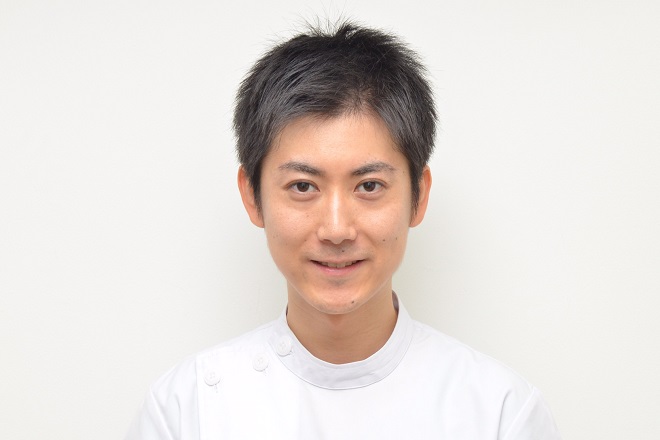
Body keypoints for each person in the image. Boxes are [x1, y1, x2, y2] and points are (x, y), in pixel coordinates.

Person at [125, 21, 561, 439]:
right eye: (303, 186)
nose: (336, 229)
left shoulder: (500, 413)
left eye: (369, 186)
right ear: (253, 196)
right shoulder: (188, 410)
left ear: (419, 196)